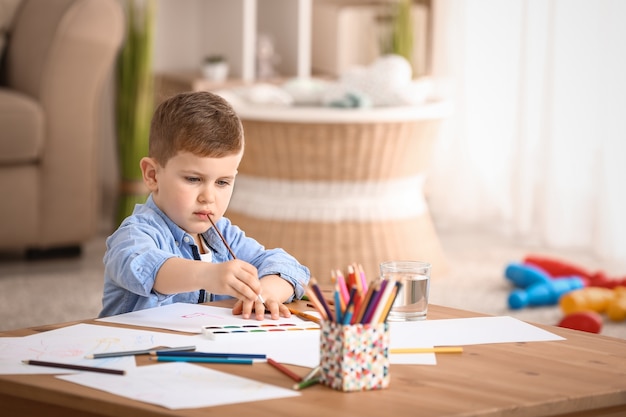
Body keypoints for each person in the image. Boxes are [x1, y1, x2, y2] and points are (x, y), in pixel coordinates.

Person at [100, 91, 310, 320]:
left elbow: (289, 266)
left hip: (200, 351)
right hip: (132, 351)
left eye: (222, 182)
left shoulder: (223, 235)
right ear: (152, 175)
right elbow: (144, 268)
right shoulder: (134, 233)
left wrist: (265, 292)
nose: (208, 197)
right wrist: (208, 275)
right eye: (193, 179)